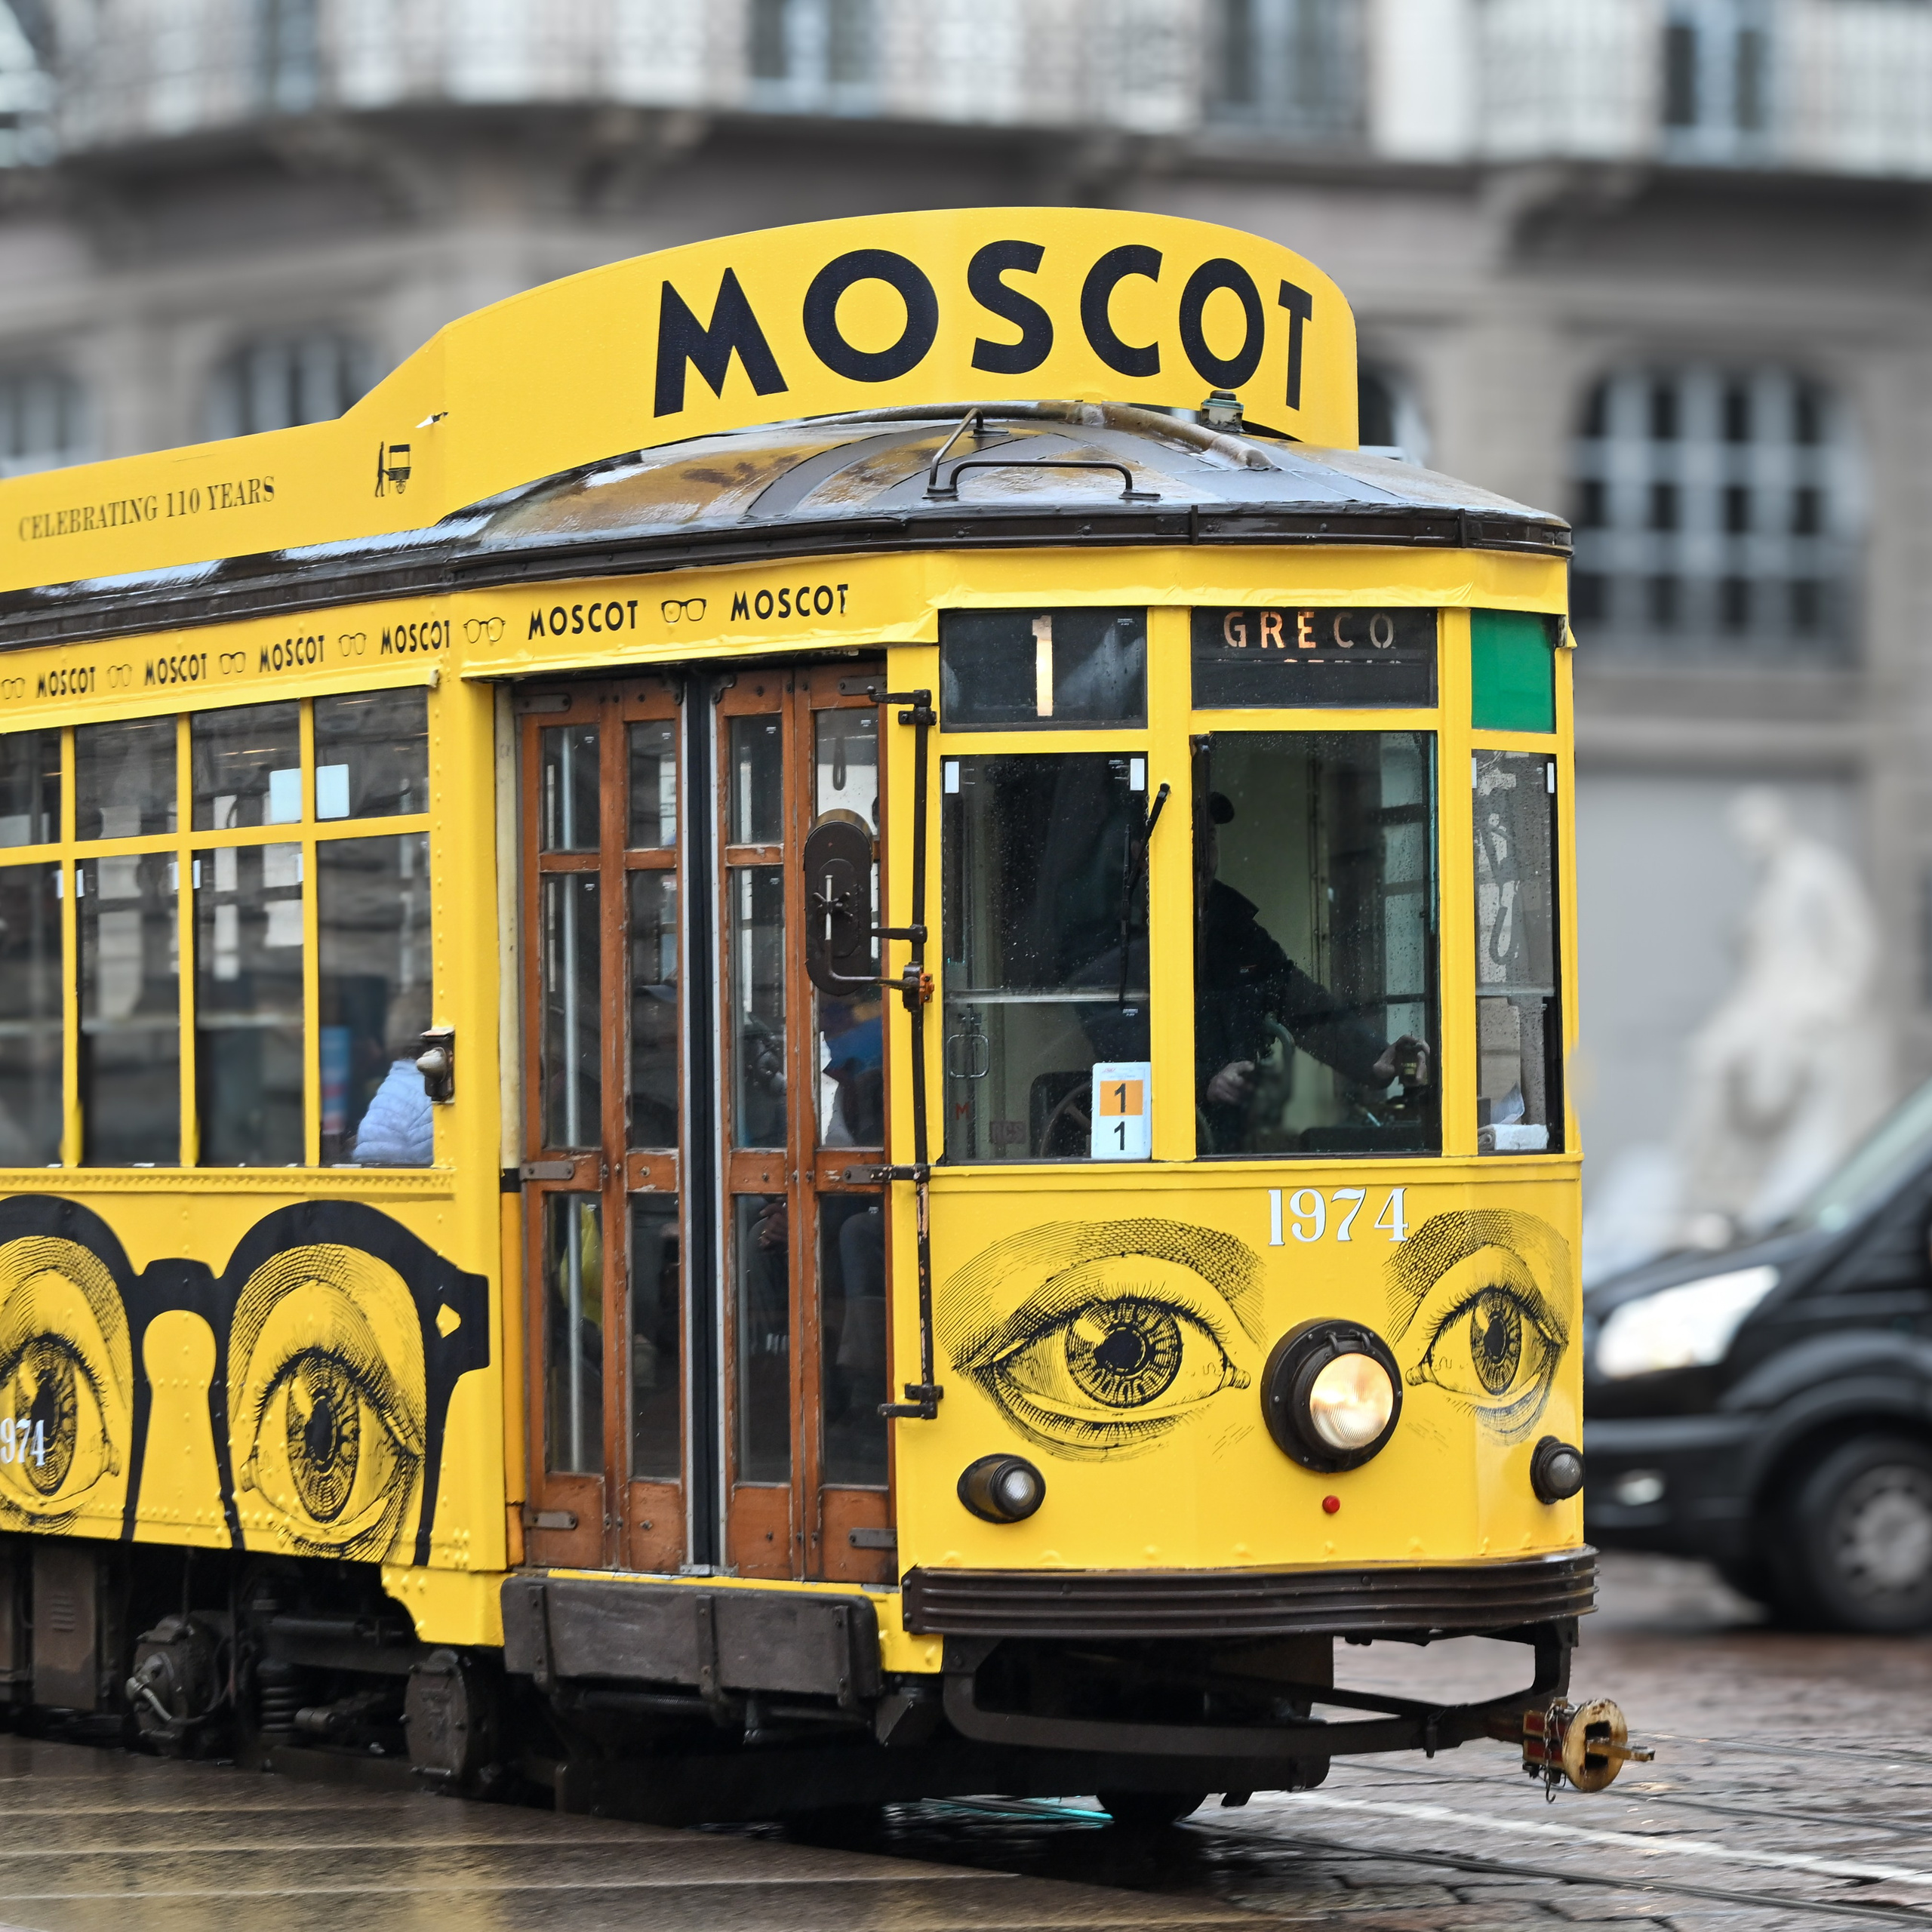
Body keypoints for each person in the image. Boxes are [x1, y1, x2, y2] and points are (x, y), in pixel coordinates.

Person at [1196, 791, 1429, 1153]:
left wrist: (1374, 1058)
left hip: (1231, 1140)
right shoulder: (1122, 937)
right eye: (1193, 839)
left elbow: (1302, 1002)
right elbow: (1121, 1039)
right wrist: (1203, 1081)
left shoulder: (1235, 926)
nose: (1205, 854)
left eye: (1210, 838)